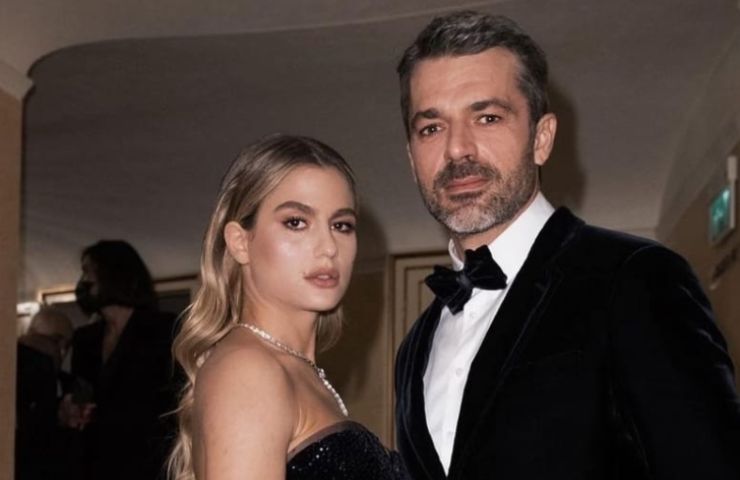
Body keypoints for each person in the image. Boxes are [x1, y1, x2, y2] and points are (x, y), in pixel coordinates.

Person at [393, 10, 740, 480]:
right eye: (431, 128)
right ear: (412, 158)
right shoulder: (414, 349)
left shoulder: (634, 278)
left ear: (542, 138)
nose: (457, 149)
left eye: (488, 117)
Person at [167, 134, 407, 480]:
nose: (328, 247)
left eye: (341, 225)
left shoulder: (291, 368)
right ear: (240, 242)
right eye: (296, 222)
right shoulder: (249, 369)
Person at [66, 240, 179, 480]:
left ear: (114, 273)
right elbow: (81, 392)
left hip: (149, 463)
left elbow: (178, 399)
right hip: (96, 463)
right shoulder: (85, 338)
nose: (83, 281)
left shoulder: (164, 330)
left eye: (88, 271)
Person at [16, 307, 80, 480]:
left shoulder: (75, 386)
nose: (61, 351)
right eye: (54, 340)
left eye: (67, 345)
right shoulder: (12, 380)